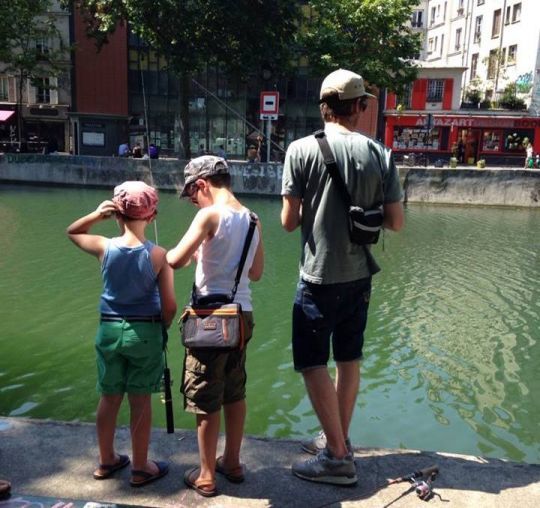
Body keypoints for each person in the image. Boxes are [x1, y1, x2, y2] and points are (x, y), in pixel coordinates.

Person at [281, 69, 404, 486]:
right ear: (359, 107)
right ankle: (339, 438)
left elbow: (287, 221)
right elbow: (396, 222)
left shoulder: (300, 149)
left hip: (317, 277)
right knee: (349, 360)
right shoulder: (380, 153)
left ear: (323, 106)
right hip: (359, 277)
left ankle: (336, 457)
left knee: (312, 362)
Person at [66, 181, 176, 487]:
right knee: (140, 401)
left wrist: (95, 215)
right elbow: (170, 305)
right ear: (151, 217)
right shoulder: (159, 255)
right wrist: (163, 328)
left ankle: (106, 460)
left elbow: (73, 232)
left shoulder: (103, 246)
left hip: (109, 330)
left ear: (116, 214)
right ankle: (141, 467)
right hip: (145, 332)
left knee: (109, 397)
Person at [167, 156, 264, 497]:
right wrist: (207, 255)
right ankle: (233, 462)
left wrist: (174, 254)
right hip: (242, 315)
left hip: (211, 320)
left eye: (192, 195)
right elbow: (255, 272)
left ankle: (206, 475)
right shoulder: (253, 219)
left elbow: (174, 259)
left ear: (203, 184)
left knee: (206, 395)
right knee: (235, 389)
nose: (193, 201)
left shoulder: (208, 215)